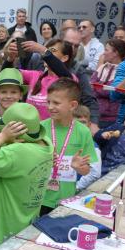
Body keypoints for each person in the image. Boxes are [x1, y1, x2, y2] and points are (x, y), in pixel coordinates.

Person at [0, 102, 52, 250]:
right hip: (28, 224)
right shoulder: (46, 144)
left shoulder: (15, 152)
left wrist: (2, 137)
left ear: (16, 134)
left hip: (4, 229)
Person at [40, 78, 99, 214]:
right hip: (38, 197)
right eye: (48, 102)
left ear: (72, 105)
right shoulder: (40, 128)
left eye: (56, 103)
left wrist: (79, 168)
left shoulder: (83, 132)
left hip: (65, 199)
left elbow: (86, 171)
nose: (50, 107)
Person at [92, 38, 125, 127]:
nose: (103, 53)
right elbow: (91, 87)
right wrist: (103, 87)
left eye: (106, 50)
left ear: (115, 53)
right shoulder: (102, 67)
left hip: (112, 118)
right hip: (94, 114)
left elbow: (112, 93)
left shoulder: (124, 70)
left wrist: (99, 87)